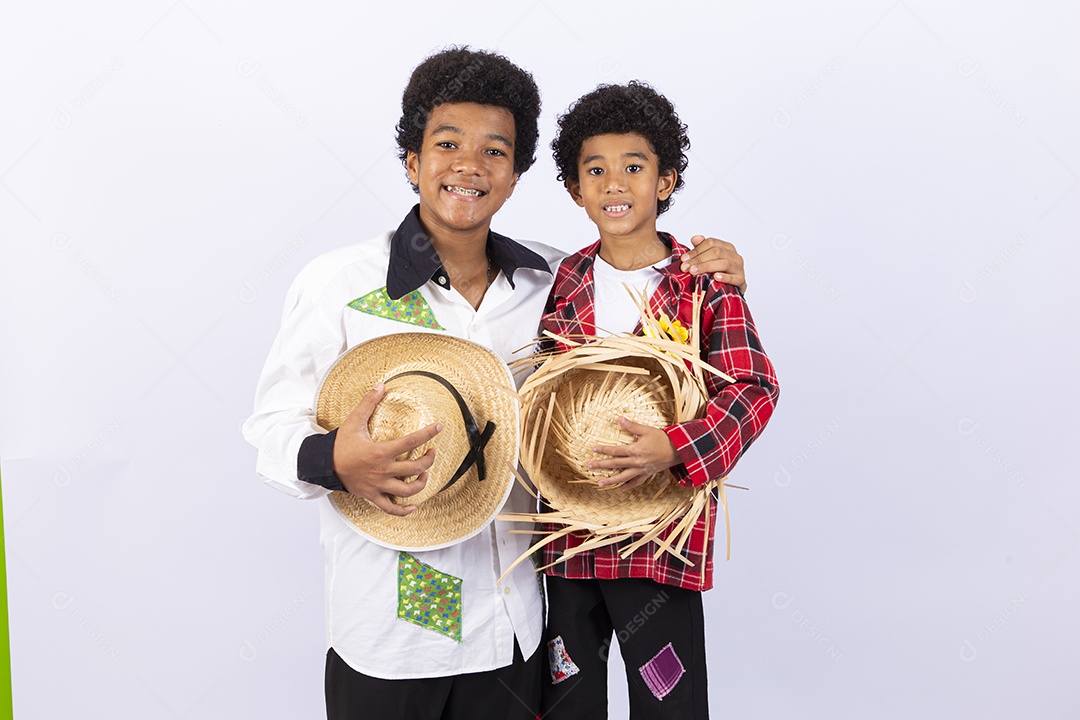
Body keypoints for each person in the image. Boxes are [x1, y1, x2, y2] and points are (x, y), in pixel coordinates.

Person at [242, 49, 748, 720]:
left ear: (516, 174)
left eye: (494, 151)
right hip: (391, 639)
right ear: (412, 162)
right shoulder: (339, 284)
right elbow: (271, 428)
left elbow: (645, 309)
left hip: (519, 634)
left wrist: (712, 273)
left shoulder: (556, 281)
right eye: (446, 144)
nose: (469, 166)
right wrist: (334, 458)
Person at [536, 81, 780, 719]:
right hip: (569, 536)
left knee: (668, 702)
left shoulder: (702, 283)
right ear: (575, 190)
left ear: (665, 182)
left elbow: (752, 388)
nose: (614, 183)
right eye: (596, 170)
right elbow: (539, 390)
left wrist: (676, 446)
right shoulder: (562, 282)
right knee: (566, 699)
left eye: (634, 167)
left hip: (660, 541)